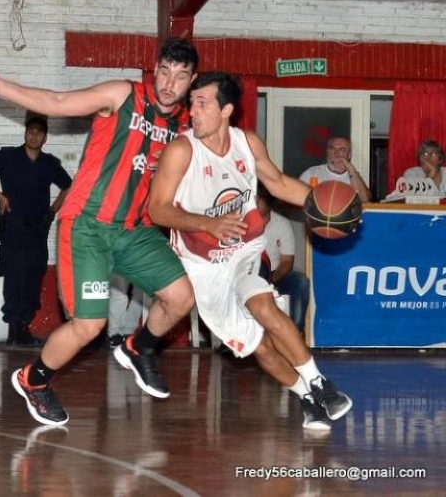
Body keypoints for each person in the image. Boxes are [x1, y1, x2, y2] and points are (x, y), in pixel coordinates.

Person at [0, 37, 199, 426]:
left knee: (182, 297)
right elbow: (57, 102)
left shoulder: (184, 125)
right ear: (154, 70)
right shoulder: (123, 95)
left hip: (134, 231)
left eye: (181, 76)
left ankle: (138, 348)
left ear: (192, 80)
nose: (170, 85)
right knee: (90, 325)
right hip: (87, 227)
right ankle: (33, 380)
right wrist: (0, 87)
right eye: (165, 73)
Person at [148, 71, 352, 431]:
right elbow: (159, 209)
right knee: (260, 348)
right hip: (202, 266)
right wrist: (207, 224)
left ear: (226, 109)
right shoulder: (182, 150)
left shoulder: (247, 144)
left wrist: (325, 206)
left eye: (201, 102)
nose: (191, 110)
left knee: (263, 305)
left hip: (245, 249)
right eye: (191, 102)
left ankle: (321, 384)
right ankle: (305, 395)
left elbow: (278, 182)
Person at [0, 115, 71, 348]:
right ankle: (13, 330)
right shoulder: (8, 156)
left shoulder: (49, 163)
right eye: (31, 131)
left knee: (34, 274)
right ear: (25, 133)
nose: (34, 135)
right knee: (13, 276)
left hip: (38, 228)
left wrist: (53, 210)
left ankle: (25, 328)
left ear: (45, 138)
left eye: (39, 133)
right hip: (13, 226)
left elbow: (70, 185)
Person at [256, 184, 310, 334]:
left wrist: (272, 279)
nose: (253, 202)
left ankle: (296, 332)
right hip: (248, 274)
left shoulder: (281, 224)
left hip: (274, 275)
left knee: (301, 282)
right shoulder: (241, 221)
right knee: (258, 269)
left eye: (258, 199)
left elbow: (287, 262)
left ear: (268, 202)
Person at [299, 136, 370, 201]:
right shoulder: (312, 173)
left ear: (349, 155)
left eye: (342, 150)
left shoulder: (354, 177)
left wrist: (350, 168)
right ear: (327, 151)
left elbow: (364, 200)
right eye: (332, 149)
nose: (336, 154)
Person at [107, 274, 145, 349]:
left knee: (140, 293)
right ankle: (115, 334)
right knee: (118, 291)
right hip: (119, 263)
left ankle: (128, 332)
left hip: (146, 263)